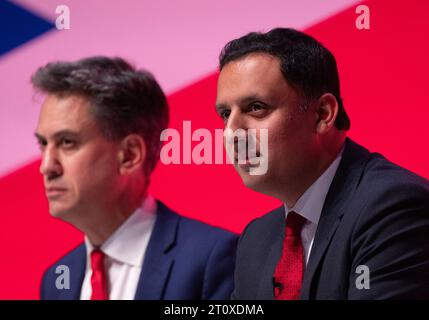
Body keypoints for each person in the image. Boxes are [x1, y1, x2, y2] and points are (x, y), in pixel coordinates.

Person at [215, 28, 429, 299]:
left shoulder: (393, 207)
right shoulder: (256, 240)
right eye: (225, 114)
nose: (231, 132)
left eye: (256, 107)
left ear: (322, 114)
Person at [33, 56, 237, 300]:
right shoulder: (57, 279)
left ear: (129, 155)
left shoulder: (212, 259)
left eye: (67, 142)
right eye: (43, 144)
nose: (46, 166)